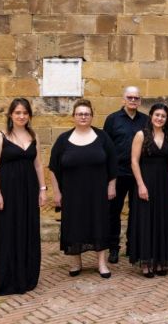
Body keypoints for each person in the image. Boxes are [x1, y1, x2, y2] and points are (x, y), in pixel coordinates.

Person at [49, 99, 117, 279]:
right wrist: (57, 193)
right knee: (74, 225)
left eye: (87, 114)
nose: (83, 116)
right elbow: (54, 168)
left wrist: (112, 185)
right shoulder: (63, 140)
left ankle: (101, 263)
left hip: (97, 192)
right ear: (73, 117)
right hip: (72, 193)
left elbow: (113, 163)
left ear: (92, 116)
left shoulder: (103, 137)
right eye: (80, 114)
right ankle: (75, 262)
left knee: (100, 224)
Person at [0, 98, 47, 296]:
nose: (21, 116)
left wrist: (43, 189)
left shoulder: (33, 135)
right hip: (8, 191)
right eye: (18, 112)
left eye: (25, 113)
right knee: (7, 230)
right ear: (11, 115)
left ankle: (25, 275)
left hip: (29, 191)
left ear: (29, 115)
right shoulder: (0, 136)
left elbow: (37, 165)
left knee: (27, 229)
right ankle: (5, 277)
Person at [129, 103, 168, 277]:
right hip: (146, 181)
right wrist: (141, 185)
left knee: (162, 219)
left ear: (167, 119)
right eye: (157, 115)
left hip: (164, 182)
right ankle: (146, 262)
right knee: (146, 220)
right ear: (151, 116)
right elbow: (134, 161)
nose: (160, 118)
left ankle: (160, 261)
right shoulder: (141, 135)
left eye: (163, 116)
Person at [103, 86, 149, 264]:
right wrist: (109, 179)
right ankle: (114, 247)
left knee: (137, 212)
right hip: (118, 173)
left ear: (140, 101)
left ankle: (133, 246)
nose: (133, 100)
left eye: (136, 98)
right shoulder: (112, 120)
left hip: (139, 174)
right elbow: (106, 149)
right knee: (113, 212)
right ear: (123, 99)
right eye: (129, 97)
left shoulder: (145, 120)